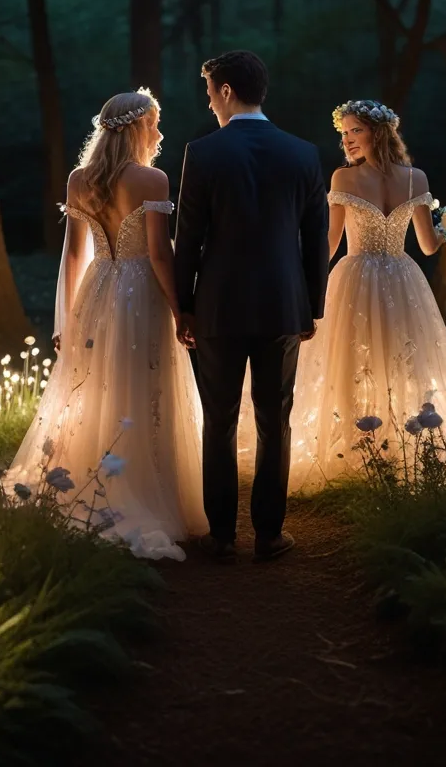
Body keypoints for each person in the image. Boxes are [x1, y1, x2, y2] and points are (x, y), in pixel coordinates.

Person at [10, 89, 207, 561]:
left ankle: (97, 477)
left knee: (98, 386)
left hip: (97, 292)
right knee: (144, 384)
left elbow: (74, 254)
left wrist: (68, 315)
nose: (159, 133)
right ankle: (147, 486)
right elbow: (161, 254)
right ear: (138, 128)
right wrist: (181, 308)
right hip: (141, 292)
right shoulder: (152, 180)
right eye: (154, 124)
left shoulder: (81, 179)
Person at [174, 51, 329, 563]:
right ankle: (268, 534)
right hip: (284, 305)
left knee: (218, 419)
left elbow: (189, 240)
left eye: (209, 92)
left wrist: (184, 307)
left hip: (218, 306)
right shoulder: (304, 153)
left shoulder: (202, 152)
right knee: (274, 419)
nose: (209, 102)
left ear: (223, 91)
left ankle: (221, 536)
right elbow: (316, 238)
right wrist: (313, 306)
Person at [278, 99, 446, 490]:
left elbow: (330, 242)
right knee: (393, 355)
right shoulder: (415, 179)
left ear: (378, 132)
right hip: (403, 277)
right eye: (344, 133)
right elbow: (428, 245)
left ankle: (365, 444)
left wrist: (299, 271)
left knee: (364, 355)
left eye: (356, 131)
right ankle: (389, 441)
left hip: (356, 275)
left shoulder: (343, 179)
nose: (348, 141)